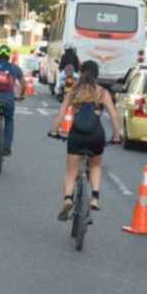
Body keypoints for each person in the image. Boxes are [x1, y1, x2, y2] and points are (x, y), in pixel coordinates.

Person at [49, 60, 122, 217]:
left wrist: (54, 131)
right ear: (97, 75)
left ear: (81, 73)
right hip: (96, 136)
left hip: (77, 135)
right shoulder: (102, 92)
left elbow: (61, 113)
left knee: (71, 171)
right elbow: (114, 116)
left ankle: (68, 199)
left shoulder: (74, 90)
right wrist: (117, 136)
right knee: (95, 166)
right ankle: (95, 198)